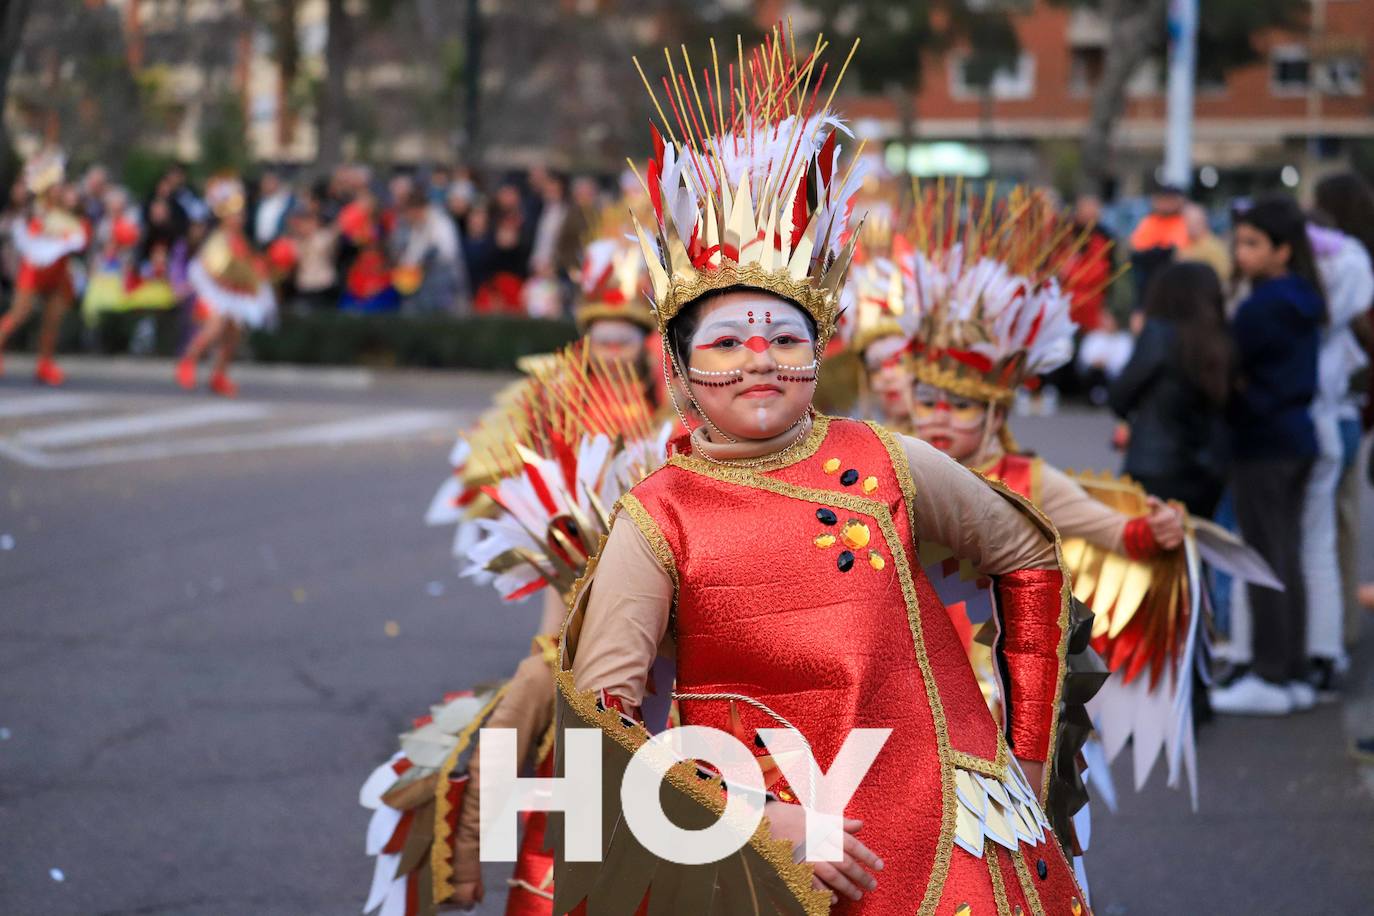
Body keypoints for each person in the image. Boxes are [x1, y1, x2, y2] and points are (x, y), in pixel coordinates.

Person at [556, 33, 1090, 914]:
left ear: (818, 352)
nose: (758, 360)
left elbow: (1027, 554)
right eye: (727, 343)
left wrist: (1022, 758)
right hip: (773, 860)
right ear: (681, 373)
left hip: (953, 838)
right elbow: (600, 724)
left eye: (785, 340)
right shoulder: (660, 515)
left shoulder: (886, 459)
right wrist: (755, 817)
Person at [1210, 194, 1326, 717]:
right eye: (1239, 242)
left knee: (1265, 559)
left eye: (1253, 243)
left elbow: (1227, 359)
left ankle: (1271, 674)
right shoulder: (1300, 296)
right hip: (1294, 436)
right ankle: (1292, 672)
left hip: (1264, 441)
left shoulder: (1265, 305)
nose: (1241, 252)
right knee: (1286, 557)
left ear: (1284, 250)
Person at [1109, 261, 1232, 517]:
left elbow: (1120, 396)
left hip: (1156, 465)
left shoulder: (1159, 335)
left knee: (1151, 548)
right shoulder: (1222, 339)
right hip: (1208, 469)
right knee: (1195, 546)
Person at [1312, 172, 1374, 655]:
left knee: (1317, 538)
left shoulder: (1336, 261)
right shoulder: (1359, 260)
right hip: (1354, 411)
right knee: (1343, 531)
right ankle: (1344, 633)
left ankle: (1326, 639)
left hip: (1330, 407)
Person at [176, 176, 276, 397]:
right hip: (214, 290)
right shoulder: (219, 239)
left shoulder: (240, 240)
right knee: (215, 326)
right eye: (235, 215)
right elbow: (213, 269)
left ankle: (219, 375)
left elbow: (246, 268)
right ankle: (188, 361)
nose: (239, 219)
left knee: (233, 335)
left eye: (241, 215)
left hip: (231, 291)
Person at [0, 150, 88, 385]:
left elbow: (79, 231)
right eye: (56, 186)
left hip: (58, 272)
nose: (60, 189)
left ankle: (45, 364)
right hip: (34, 270)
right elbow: (28, 230)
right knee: (20, 314)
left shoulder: (68, 209)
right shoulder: (35, 209)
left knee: (53, 319)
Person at [1179, 203, 1231, 286]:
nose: (1190, 226)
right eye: (1187, 221)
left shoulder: (1214, 247)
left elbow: (1223, 275)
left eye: (1195, 222)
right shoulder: (1184, 243)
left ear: (1204, 221)